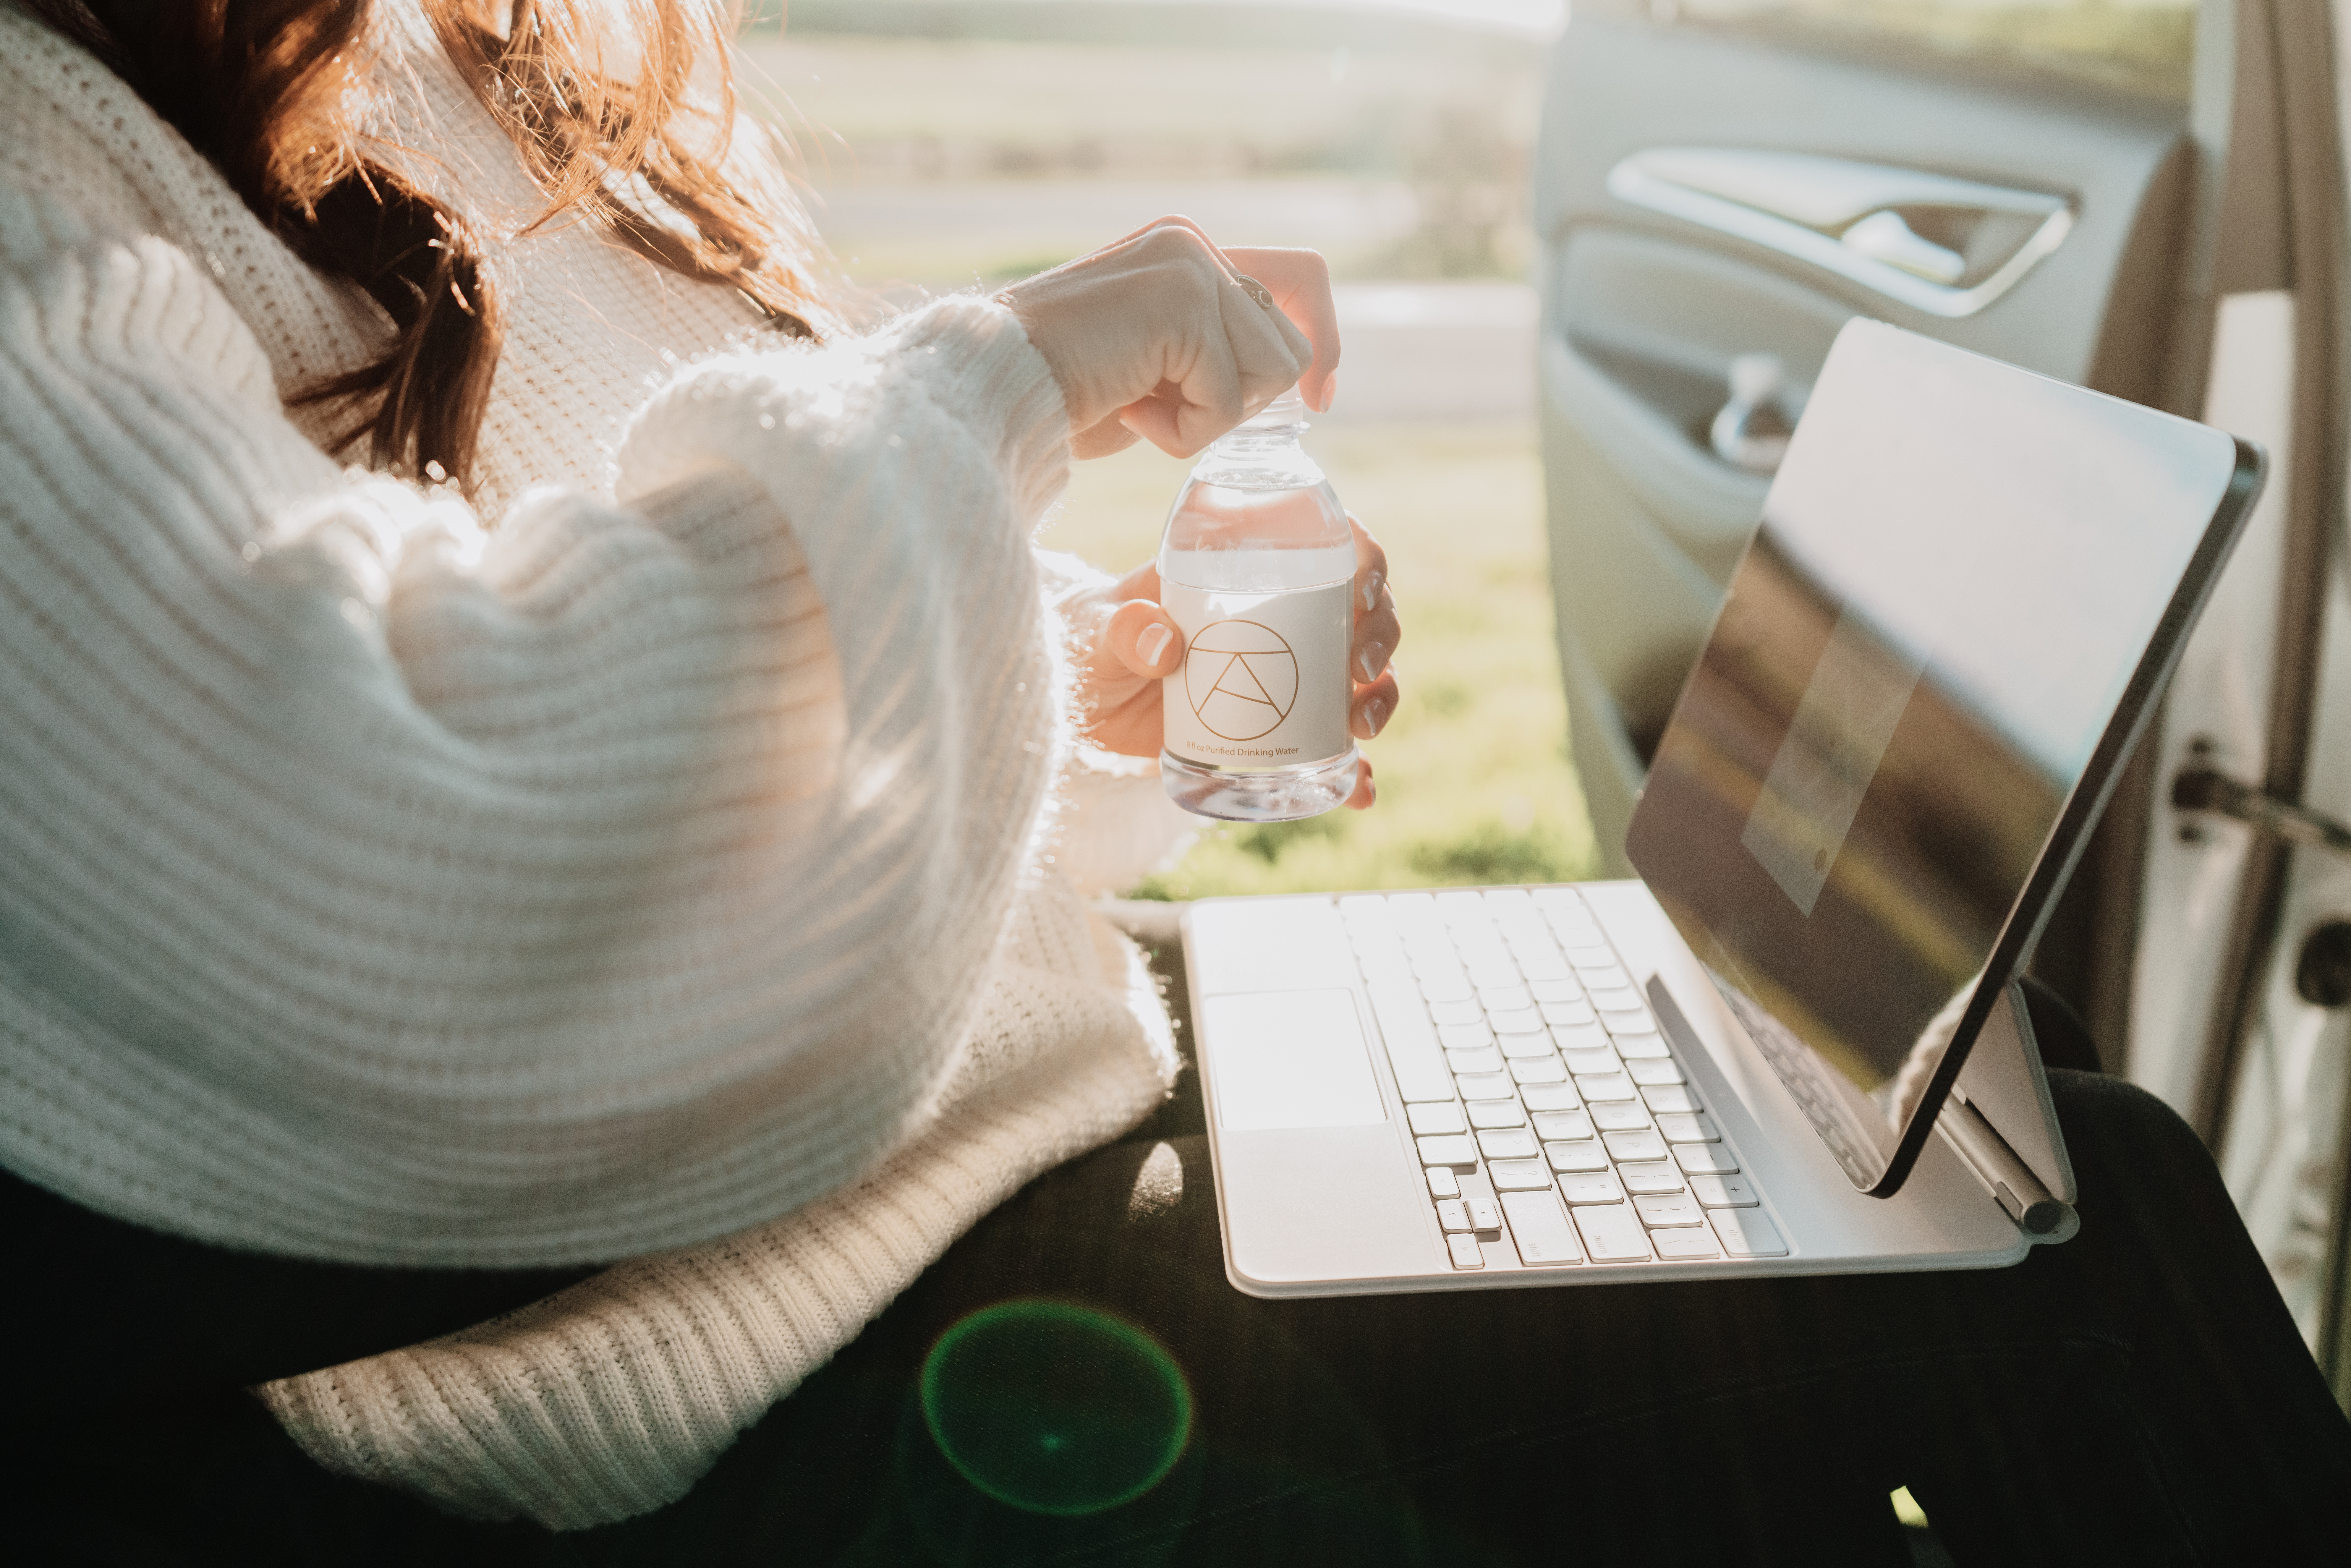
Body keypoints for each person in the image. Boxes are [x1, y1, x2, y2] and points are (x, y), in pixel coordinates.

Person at [0, 4, 2343, 1565]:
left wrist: (1073, 687)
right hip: (773, 1352)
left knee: (2004, 1124)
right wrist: (1000, 377)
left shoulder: (429, 54)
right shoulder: (43, 163)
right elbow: (392, 864)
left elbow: (606, 636)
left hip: (966, 1147)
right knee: (2073, 1252)